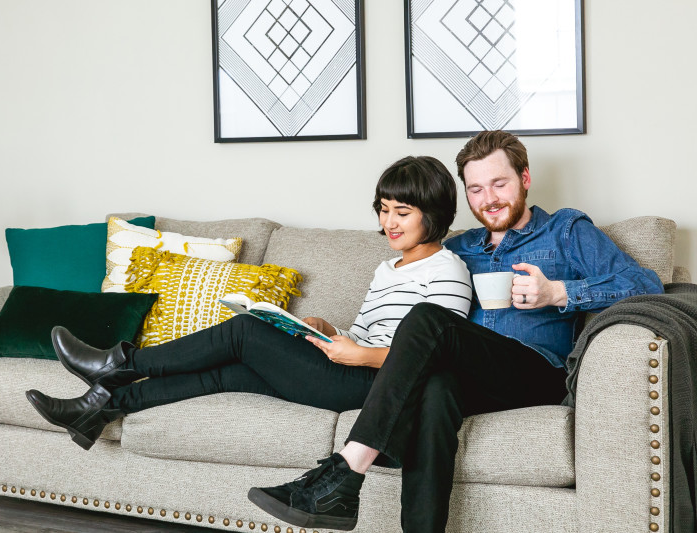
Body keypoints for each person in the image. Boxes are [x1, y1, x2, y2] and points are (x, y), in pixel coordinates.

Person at [247, 130, 665, 532]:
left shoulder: (565, 231)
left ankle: (345, 472)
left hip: (537, 371)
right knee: (435, 388)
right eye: (476, 189)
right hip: (474, 375)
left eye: (499, 184)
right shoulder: (458, 250)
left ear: (524, 179)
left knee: (428, 317)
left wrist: (558, 292)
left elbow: (647, 285)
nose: (489, 199)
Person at [25, 156, 472, 452]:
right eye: (384, 209)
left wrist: (360, 355)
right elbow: (369, 332)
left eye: (402, 212)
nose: (388, 222)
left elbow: (438, 357)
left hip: (377, 388)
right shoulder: (387, 269)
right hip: (352, 369)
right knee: (228, 373)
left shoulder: (447, 270)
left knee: (244, 331)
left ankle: (116, 363)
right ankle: (99, 408)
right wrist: (330, 330)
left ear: (432, 213)